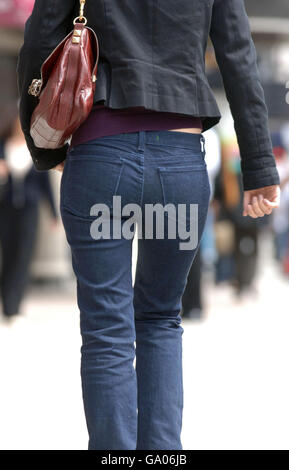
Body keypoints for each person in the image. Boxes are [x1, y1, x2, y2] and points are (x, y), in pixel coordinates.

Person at [17, 1, 281, 450]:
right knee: (161, 318)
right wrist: (259, 165)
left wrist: (44, 141)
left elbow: (40, 41)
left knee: (106, 329)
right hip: (178, 165)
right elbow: (238, 53)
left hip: (100, 156)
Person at [0, 108, 58, 320]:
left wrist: (53, 213)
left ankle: (15, 305)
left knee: (24, 256)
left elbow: (46, 185)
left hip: (29, 210)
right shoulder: (2, 147)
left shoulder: (34, 150)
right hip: (5, 209)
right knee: (8, 255)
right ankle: (7, 302)